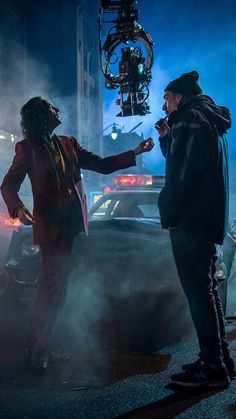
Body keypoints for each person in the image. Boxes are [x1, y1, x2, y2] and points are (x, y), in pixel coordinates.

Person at [1, 96, 154, 372]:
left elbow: (103, 165)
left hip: (71, 227)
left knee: (59, 291)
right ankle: (35, 350)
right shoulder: (27, 148)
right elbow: (8, 186)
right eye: (51, 108)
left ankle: (47, 346)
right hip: (51, 230)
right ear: (40, 116)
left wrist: (136, 152)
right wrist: (18, 208)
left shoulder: (68, 143)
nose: (57, 110)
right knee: (50, 290)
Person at [156, 70, 235, 388]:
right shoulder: (208, 119)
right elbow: (184, 160)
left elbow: (182, 175)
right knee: (207, 290)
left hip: (190, 219)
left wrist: (168, 210)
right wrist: (166, 139)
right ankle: (218, 358)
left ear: (179, 97)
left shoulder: (188, 119)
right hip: (207, 218)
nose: (164, 107)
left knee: (198, 292)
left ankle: (213, 367)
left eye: (166, 99)